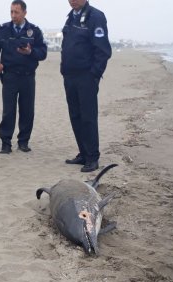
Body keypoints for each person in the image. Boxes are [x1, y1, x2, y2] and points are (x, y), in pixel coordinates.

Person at [0, 0, 47, 154]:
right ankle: (6, 143)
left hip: (28, 77)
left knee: (27, 110)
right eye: (11, 12)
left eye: (17, 12)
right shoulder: (3, 29)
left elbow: (43, 53)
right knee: (8, 111)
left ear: (24, 13)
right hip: (9, 76)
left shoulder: (34, 31)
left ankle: (23, 142)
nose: (13, 15)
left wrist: (30, 52)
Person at [60, 0, 112, 172]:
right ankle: (83, 153)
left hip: (86, 77)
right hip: (70, 76)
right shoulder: (71, 17)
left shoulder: (95, 16)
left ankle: (92, 157)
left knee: (88, 117)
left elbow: (103, 50)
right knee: (75, 116)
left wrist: (94, 75)